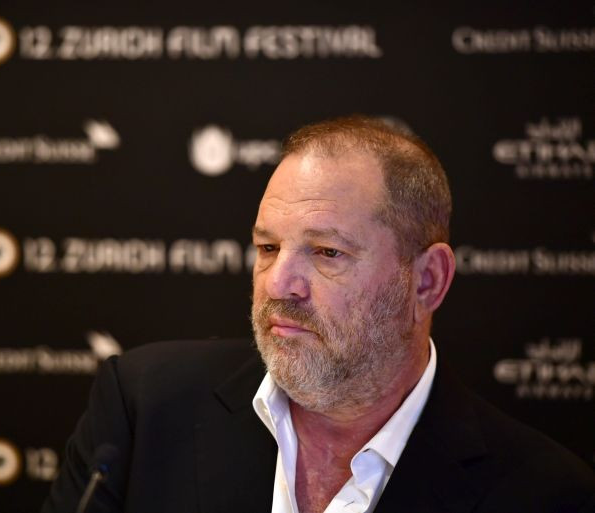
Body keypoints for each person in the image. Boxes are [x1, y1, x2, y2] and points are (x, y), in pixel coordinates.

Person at [42, 116, 595, 513]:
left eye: (328, 253)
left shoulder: (543, 493)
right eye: (267, 248)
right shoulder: (144, 408)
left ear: (427, 281)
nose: (278, 283)